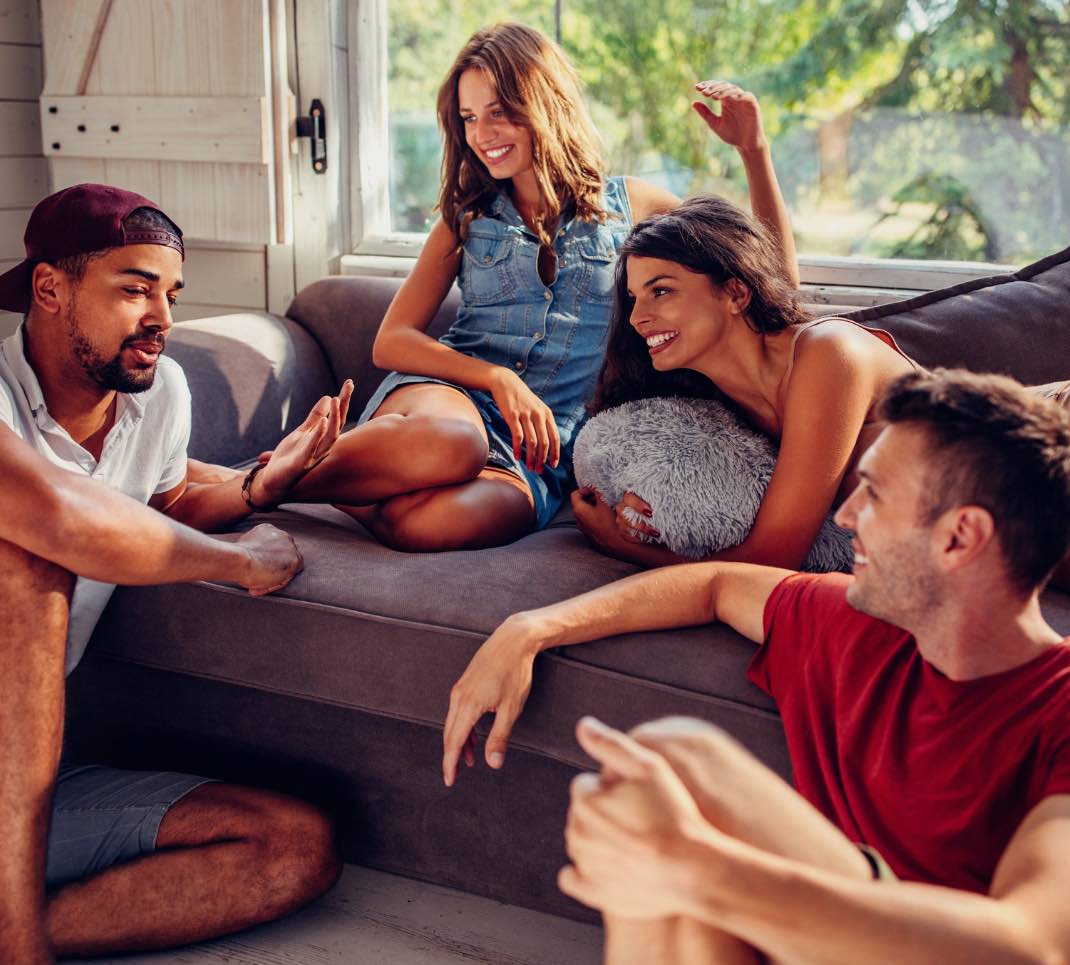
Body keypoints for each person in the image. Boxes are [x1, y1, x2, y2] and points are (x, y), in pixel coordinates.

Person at [485, 368, 1070, 962]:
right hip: (834, 935)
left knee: (679, 812)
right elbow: (715, 583)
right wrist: (533, 627)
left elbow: (1030, 948)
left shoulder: (1060, 706)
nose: (846, 516)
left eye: (876, 495)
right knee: (675, 755)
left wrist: (702, 873)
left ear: (960, 536)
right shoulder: (857, 627)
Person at [0, 183, 350, 962]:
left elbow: (165, 500)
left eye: (170, 292)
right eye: (133, 288)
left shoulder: (159, 394)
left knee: (294, 846)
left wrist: (259, 487)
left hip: (24, 794)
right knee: (29, 562)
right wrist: (239, 561)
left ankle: (11, 919)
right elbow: (59, 518)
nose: (161, 316)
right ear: (50, 287)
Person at [285, 22, 798, 552]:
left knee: (427, 526)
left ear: (544, 105)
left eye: (499, 113)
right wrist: (499, 381)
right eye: (469, 118)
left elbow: (771, 279)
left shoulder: (632, 207)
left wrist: (754, 151)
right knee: (456, 444)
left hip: (543, 450)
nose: (481, 135)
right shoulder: (465, 217)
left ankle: (302, 481)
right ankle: (255, 489)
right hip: (449, 404)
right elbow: (391, 341)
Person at [571, 194, 919, 569]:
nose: (638, 318)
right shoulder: (717, 406)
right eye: (634, 298)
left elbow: (774, 559)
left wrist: (620, 546)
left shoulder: (831, 353)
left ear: (735, 293)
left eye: (661, 291)